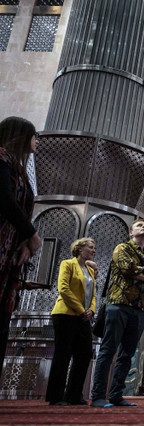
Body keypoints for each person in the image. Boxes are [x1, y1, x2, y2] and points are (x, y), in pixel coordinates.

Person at [90, 218, 144, 408]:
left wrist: (141, 271)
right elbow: (126, 268)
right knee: (108, 350)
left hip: (138, 309)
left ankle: (116, 395)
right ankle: (98, 396)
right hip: (118, 305)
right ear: (131, 232)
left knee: (126, 354)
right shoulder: (121, 248)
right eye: (139, 225)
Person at [0, 117, 42, 379]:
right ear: (20, 135)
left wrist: (25, 241)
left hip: (9, 257)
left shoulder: (18, 168)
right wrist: (32, 235)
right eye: (34, 136)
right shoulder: (1, 158)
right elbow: (4, 198)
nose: (37, 142)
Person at [45, 238, 97, 405]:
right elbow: (64, 289)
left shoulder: (90, 270)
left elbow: (93, 294)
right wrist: (82, 310)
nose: (93, 251)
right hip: (66, 314)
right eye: (90, 247)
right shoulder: (67, 264)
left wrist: (92, 310)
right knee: (63, 354)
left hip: (83, 317)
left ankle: (74, 395)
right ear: (79, 248)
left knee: (84, 354)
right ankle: (56, 396)